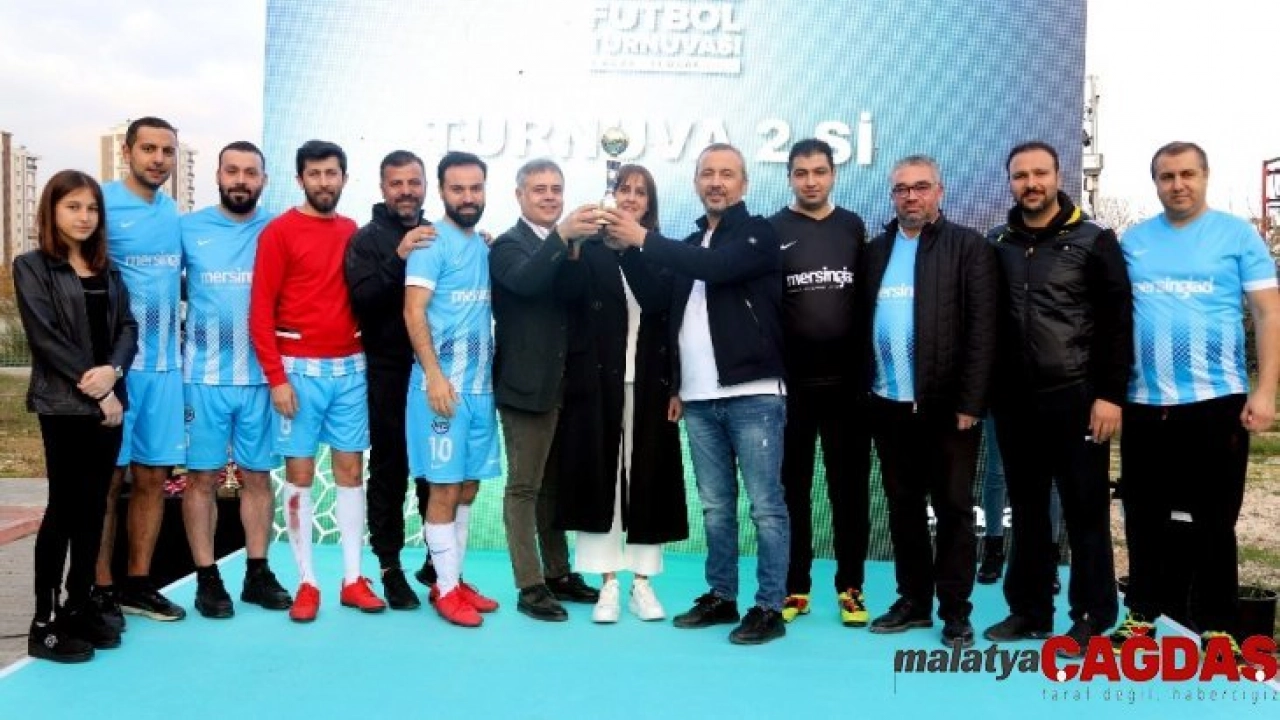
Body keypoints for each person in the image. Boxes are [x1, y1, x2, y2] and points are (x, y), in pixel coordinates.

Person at [603, 143, 790, 645]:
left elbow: (718, 267)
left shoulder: (758, 233)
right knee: (716, 506)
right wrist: (625, 250)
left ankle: (769, 607)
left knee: (765, 507)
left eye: (727, 174)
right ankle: (722, 596)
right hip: (700, 399)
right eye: (707, 173)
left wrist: (642, 238)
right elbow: (660, 303)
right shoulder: (688, 243)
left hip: (754, 394)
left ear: (744, 184)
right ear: (696, 183)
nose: (716, 182)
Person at [1111, 141, 1279, 654]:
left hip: (1216, 400)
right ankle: (1141, 614)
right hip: (1145, 403)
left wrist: (1266, 390)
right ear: (1155, 183)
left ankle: (1219, 625)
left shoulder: (1237, 236)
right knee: (1143, 514)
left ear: (1205, 177)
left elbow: (1268, 313)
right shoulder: (1134, 241)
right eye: (1166, 176)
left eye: (1187, 174)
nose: (1177, 184)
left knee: (1215, 518)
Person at [983, 141, 1130, 654]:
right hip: (1015, 403)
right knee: (1026, 510)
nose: (1031, 183)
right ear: (1011, 183)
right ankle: (1029, 610)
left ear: (1058, 176)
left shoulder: (1094, 240)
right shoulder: (997, 242)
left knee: (1084, 510)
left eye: (1039, 173)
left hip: (1077, 398)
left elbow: (1117, 325)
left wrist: (1109, 395)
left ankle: (1092, 615)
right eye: (1020, 175)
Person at [862, 154, 997, 649]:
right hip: (888, 404)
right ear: (892, 196)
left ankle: (956, 611)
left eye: (921, 187)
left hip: (947, 410)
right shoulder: (875, 251)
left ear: (939, 191)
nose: (911, 196)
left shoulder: (968, 247)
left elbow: (983, 331)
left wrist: (971, 402)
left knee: (954, 510)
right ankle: (913, 602)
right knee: (903, 509)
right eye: (901, 189)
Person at [249, 140, 386, 622]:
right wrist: (276, 378)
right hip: (297, 373)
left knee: (351, 473)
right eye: (315, 173)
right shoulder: (279, 232)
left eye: (331, 173)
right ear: (300, 178)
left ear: (344, 178)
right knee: (301, 476)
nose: (324, 182)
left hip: (350, 370)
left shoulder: (353, 231)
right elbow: (260, 312)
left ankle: (352, 578)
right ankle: (307, 582)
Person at [556, 164, 688, 623]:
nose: (631, 197)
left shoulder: (661, 251)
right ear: (611, 195)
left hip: (651, 385)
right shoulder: (589, 248)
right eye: (623, 189)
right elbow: (567, 297)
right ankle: (608, 582)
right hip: (596, 385)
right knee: (601, 480)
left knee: (648, 479)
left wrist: (677, 386)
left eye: (640, 192)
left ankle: (643, 584)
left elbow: (661, 307)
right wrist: (575, 243)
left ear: (650, 203)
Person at [15, 170, 137, 661]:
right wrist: (98, 389)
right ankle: (44, 624)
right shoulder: (32, 267)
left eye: (91, 208)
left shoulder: (108, 269)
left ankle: (79, 605)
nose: (84, 216)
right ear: (52, 211)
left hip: (110, 403)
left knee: (93, 509)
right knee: (64, 509)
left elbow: (127, 328)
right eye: (73, 207)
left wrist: (114, 372)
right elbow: (45, 338)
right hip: (65, 407)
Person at [180, 141, 292, 619]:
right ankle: (207, 579)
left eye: (250, 172)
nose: (241, 180)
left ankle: (257, 573)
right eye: (232, 171)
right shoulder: (188, 229)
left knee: (258, 477)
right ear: (218, 175)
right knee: (201, 478)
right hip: (203, 378)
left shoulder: (278, 228)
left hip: (262, 378)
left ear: (264, 179)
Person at [489, 158, 601, 621]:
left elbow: (573, 296)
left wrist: (573, 246)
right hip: (524, 386)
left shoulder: (565, 244)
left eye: (556, 188)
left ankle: (557, 573)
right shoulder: (507, 246)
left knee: (552, 486)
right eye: (540, 189)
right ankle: (529, 584)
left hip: (563, 386)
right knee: (524, 488)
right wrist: (562, 237)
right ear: (519, 195)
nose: (550, 196)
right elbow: (527, 281)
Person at [768, 139, 872, 627]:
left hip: (847, 388)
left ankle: (851, 587)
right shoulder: (773, 230)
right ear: (790, 177)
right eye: (801, 172)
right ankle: (796, 586)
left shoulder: (852, 226)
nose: (810, 181)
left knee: (848, 492)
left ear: (833, 174)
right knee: (793, 491)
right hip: (791, 388)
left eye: (819, 171)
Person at [92, 116, 187, 626]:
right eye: (148, 149)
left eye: (167, 151)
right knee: (108, 482)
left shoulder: (173, 213)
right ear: (127, 152)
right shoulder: (102, 204)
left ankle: (137, 585)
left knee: (152, 478)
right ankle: (100, 588)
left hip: (166, 370)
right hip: (118, 370)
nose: (158, 159)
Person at [404, 151, 503, 627]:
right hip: (442, 390)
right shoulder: (429, 243)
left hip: (481, 391)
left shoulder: (484, 246)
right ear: (442, 191)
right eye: (458, 188)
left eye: (475, 188)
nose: (468, 197)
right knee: (443, 489)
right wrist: (435, 376)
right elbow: (413, 311)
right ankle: (444, 589)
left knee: (467, 487)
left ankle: (453, 578)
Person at [345, 150, 438, 609]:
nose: (406, 191)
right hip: (387, 372)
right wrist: (399, 256)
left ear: (425, 186)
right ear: (383, 188)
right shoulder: (366, 240)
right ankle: (389, 568)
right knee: (390, 469)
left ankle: (438, 564)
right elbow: (362, 300)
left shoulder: (437, 235)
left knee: (434, 470)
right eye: (397, 183)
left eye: (413, 182)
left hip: (432, 372)